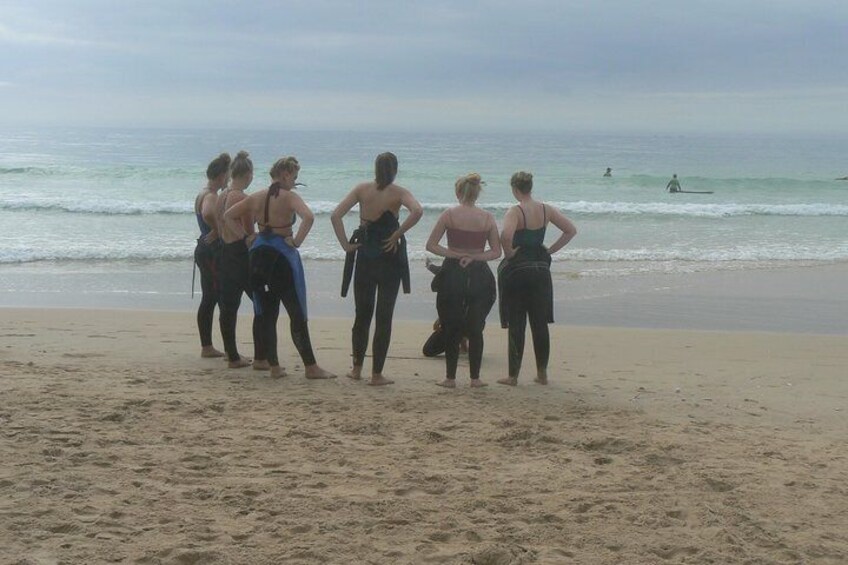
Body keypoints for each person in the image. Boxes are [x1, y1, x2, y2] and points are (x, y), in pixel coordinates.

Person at [224, 156, 335, 380]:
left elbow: (228, 216)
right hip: (282, 258)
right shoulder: (289, 197)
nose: (295, 181)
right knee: (296, 312)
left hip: (258, 257)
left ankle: (274, 367)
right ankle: (311, 367)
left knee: (266, 313)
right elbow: (309, 217)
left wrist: (247, 238)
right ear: (285, 175)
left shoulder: (256, 196)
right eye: (294, 177)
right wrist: (297, 241)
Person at [330, 152, 423, 386]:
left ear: (375, 169)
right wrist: (397, 234)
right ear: (395, 170)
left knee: (362, 315)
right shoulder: (399, 193)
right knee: (384, 316)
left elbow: (335, 215)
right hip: (389, 257)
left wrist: (346, 246)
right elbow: (418, 211)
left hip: (365, 256)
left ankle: (357, 369)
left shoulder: (362, 189)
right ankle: (377, 375)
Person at [497, 171, 577, 386]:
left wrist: (509, 253)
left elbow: (506, 235)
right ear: (530, 187)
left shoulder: (515, 211)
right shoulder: (545, 209)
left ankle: (513, 376)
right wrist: (549, 251)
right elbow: (570, 230)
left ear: (515, 189)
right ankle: (542, 374)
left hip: (519, 270)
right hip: (541, 269)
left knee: (517, 322)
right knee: (539, 323)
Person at [426, 173, 501, 388]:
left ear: (458, 192)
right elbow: (496, 252)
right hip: (479, 274)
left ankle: (450, 378)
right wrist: (474, 256)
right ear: (477, 194)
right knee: (475, 328)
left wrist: (456, 254)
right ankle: (475, 379)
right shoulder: (487, 217)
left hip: (452, 272)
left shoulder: (449, 214)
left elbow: (431, 245)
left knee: (451, 327)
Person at [215, 151, 267, 369]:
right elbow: (248, 228)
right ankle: (261, 356)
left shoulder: (222, 195)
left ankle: (232, 355)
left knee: (228, 306)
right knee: (260, 303)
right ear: (248, 175)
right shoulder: (242, 198)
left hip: (224, 252)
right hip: (241, 254)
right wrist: (248, 237)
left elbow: (220, 223)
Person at [193, 153, 229, 358]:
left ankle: (207, 345)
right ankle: (208, 347)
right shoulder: (211, 196)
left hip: (203, 249)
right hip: (211, 251)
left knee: (209, 297)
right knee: (214, 297)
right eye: (228, 177)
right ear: (222, 176)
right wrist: (216, 230)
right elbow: (207, 213)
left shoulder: (202, 192)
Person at [421, 258, 468, 357]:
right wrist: (429, 265)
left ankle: (462, 342)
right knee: (428, 350)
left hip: (466, 322)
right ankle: (459, 342)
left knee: (428, 350)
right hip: (449, 322)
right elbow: (438, 270)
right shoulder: (446, 274)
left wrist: (440, 320)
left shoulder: (468, 279)